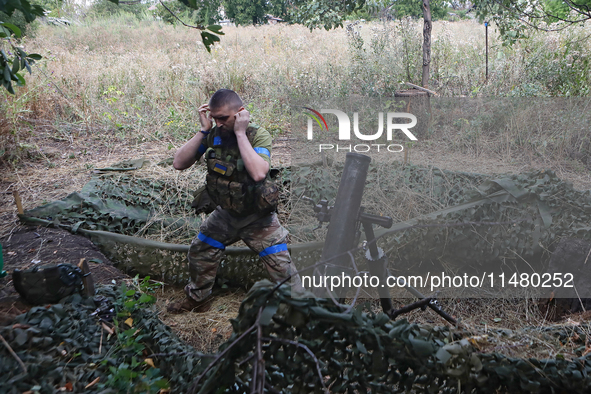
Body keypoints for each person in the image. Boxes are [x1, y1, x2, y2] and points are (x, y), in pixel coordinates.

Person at [167, 89, 301, 313]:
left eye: (223, 118)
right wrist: (203, 130)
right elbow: (179, 163)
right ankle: (198, 300)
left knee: (281, 267)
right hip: (226, 215)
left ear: (240, 113)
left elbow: (259, 173)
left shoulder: (257, 135)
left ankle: (300, 310)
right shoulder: (213, 135)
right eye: (214, 117)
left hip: (257, 217)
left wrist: (240, 134)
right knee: (201, 250)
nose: (218, 123)